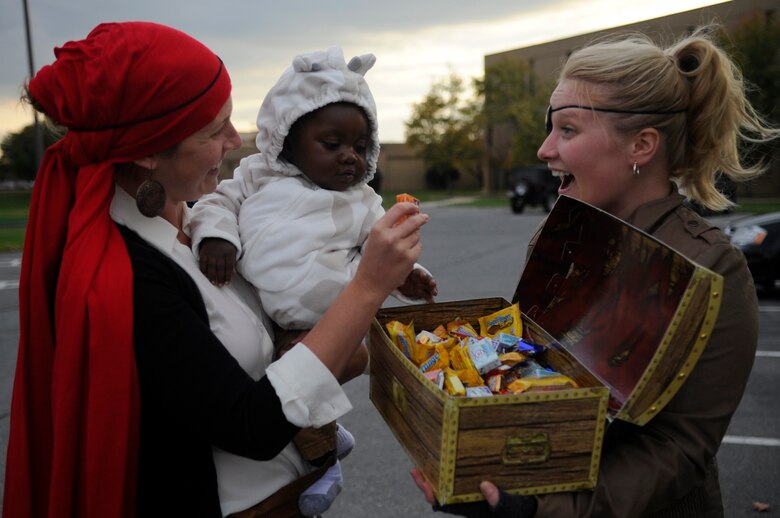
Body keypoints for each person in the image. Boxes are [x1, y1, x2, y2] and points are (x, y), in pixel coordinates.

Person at [3, 22, 428, 518]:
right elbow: (251, 427)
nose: (235, 139)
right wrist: (368, 286)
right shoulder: (126, 278)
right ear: (145, 152)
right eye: (213, 129)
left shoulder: (203, 216)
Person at [412, 26, 779, 517]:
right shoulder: (561, 237)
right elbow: (529, 374)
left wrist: (540, 510)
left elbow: (679, 448)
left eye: (568, 129)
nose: (544, 150)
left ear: (641, 146)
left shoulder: (711, 270)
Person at [189, 46, 437, 515]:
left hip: (331, 317)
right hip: (269, 311)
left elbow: (379, 250)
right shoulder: (256, 175)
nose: (350, 157)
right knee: (284, 391)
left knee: (303, 389)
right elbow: (215, 205)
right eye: (332, 144)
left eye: (361, 147)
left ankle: (324, 463)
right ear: (287, 140)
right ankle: (325, 451)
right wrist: (217, 238)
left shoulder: (362, 201)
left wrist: (411, 274)